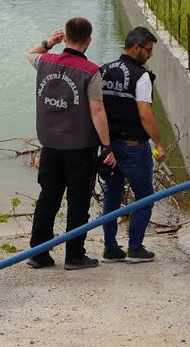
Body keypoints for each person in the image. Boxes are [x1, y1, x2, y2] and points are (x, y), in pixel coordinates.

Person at [25, 17, 115, 270]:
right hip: (80, 149)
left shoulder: (45, 62)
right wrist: (107, 146)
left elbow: (29, 54)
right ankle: (74, 255)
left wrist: (47, 42)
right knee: (78, 201)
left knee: (48, 198)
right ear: (88, 40)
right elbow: (97, 111)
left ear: (64, 36)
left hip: (50, 146)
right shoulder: (91, 72)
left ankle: (38, 253)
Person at [99, 26, 166, 263]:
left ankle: (110, 249)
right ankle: (135, 248)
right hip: (133, 146)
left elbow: (96, 108)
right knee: (145, 196)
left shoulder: (103, 70)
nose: (149, 55)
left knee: (111, 197)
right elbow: (146, 115)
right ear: (136, 48)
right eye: (148, 50)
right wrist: (159, 142)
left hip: (110, 145)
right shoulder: (141, 76)